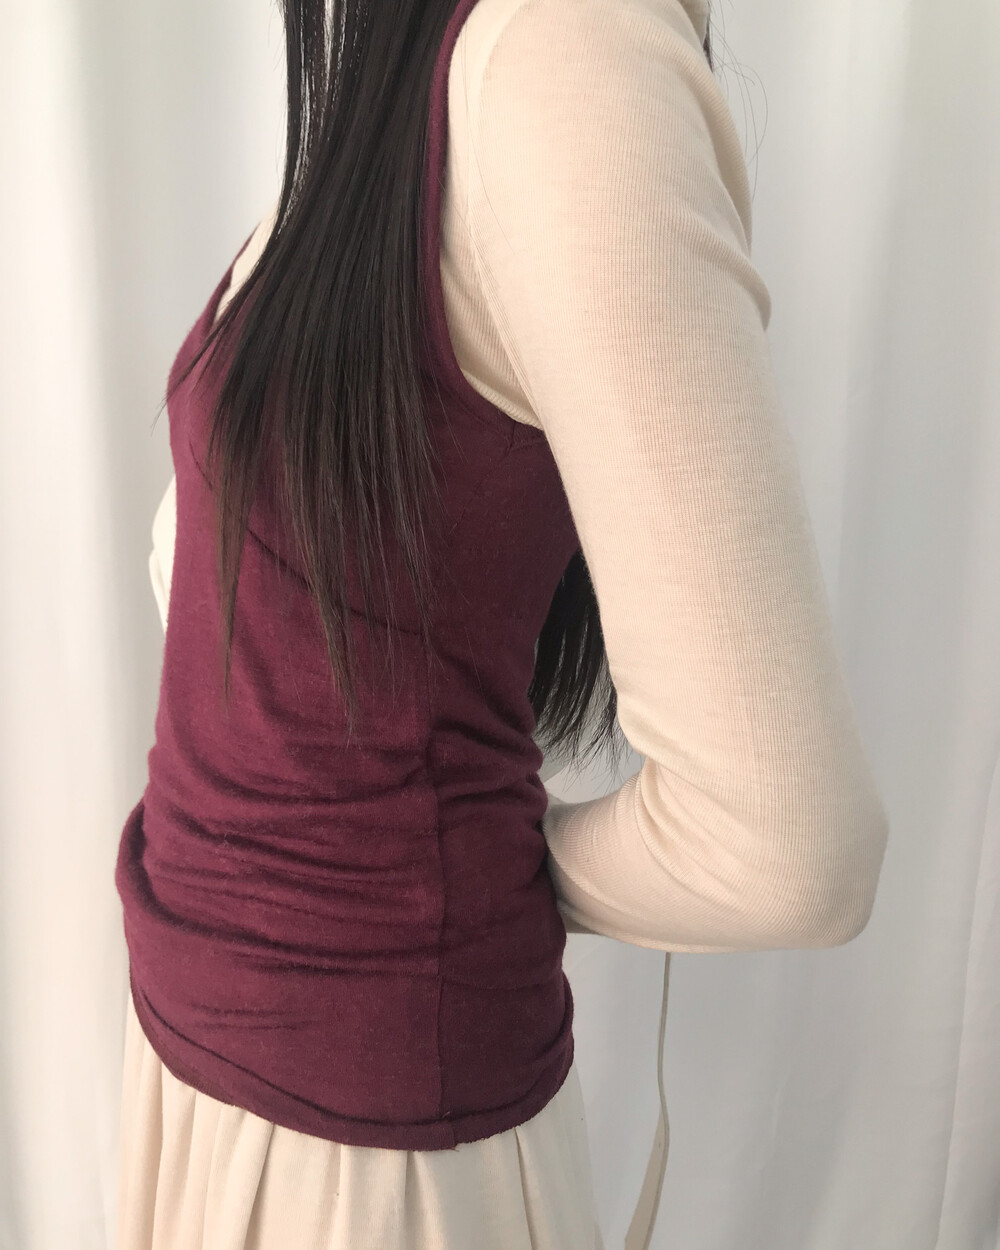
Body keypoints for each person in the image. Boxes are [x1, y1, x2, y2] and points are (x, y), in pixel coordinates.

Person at [114, 0, 891, 1245]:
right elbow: (200, 553)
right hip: (198, 1049)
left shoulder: (563, 60)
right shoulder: (405, 53)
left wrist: (459, 869)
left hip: (362, 1157)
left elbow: (790, 845)